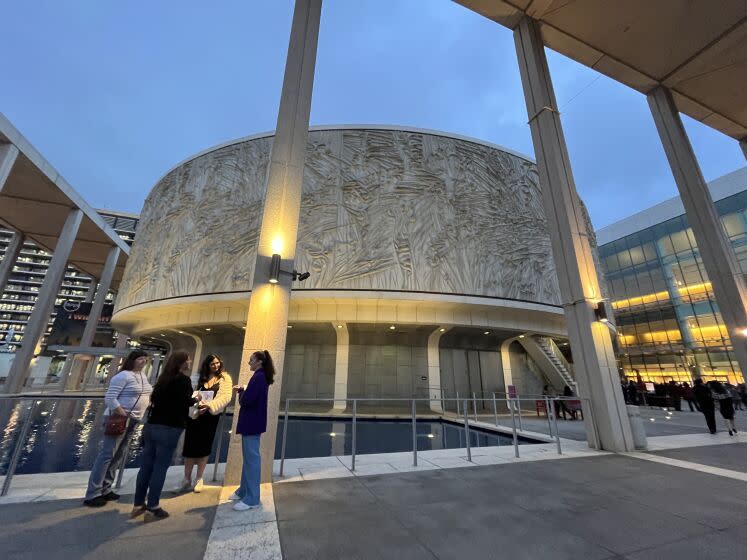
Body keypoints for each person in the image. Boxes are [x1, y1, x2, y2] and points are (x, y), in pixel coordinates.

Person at [132, 351, 198, 521]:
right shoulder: (183, 380)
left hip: (152, 426)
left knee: (146, 466)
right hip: (169, 428)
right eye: (187, 360)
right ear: (181, 363)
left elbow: (154, 400)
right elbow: (186, 401)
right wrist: (197, 399)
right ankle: (153, 506)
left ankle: (138, 503)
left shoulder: (163, 379)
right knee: (160, 467)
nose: (189, 362)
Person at [84, 349, 152, 507]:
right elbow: (110, 397)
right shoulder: (122, 376)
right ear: (133, 360)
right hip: (119, 419)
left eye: (145, 359)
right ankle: (93, 492)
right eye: (140, 359)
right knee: (107, 454)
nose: (143, 362)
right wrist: (122, 415)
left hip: (134, 419)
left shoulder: (142, 376)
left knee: (119, 454)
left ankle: (106, 488)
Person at [175, 354, 233, 493]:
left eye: (217, 363)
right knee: (189, 447)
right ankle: (186, 478)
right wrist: (197, 404)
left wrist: (210, 406)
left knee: (204, 447)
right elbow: (189, 394)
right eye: (213, 364)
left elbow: (226, 396)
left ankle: (199, 478)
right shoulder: (196, 378)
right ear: (207, 365)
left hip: (210, 417)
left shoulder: (225, 379)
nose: (216, 366)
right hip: (195, 416)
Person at [230, 350, 274, 511]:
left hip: (251, 423)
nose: (249, 363)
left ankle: (252, 498)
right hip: (253, 423)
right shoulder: (261, 377)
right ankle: (244, 490)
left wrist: (241, 392)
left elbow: (248, 400)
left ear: (259, 362)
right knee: (249, 459)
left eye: (251, 360)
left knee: (252, 460)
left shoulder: (258, 377)